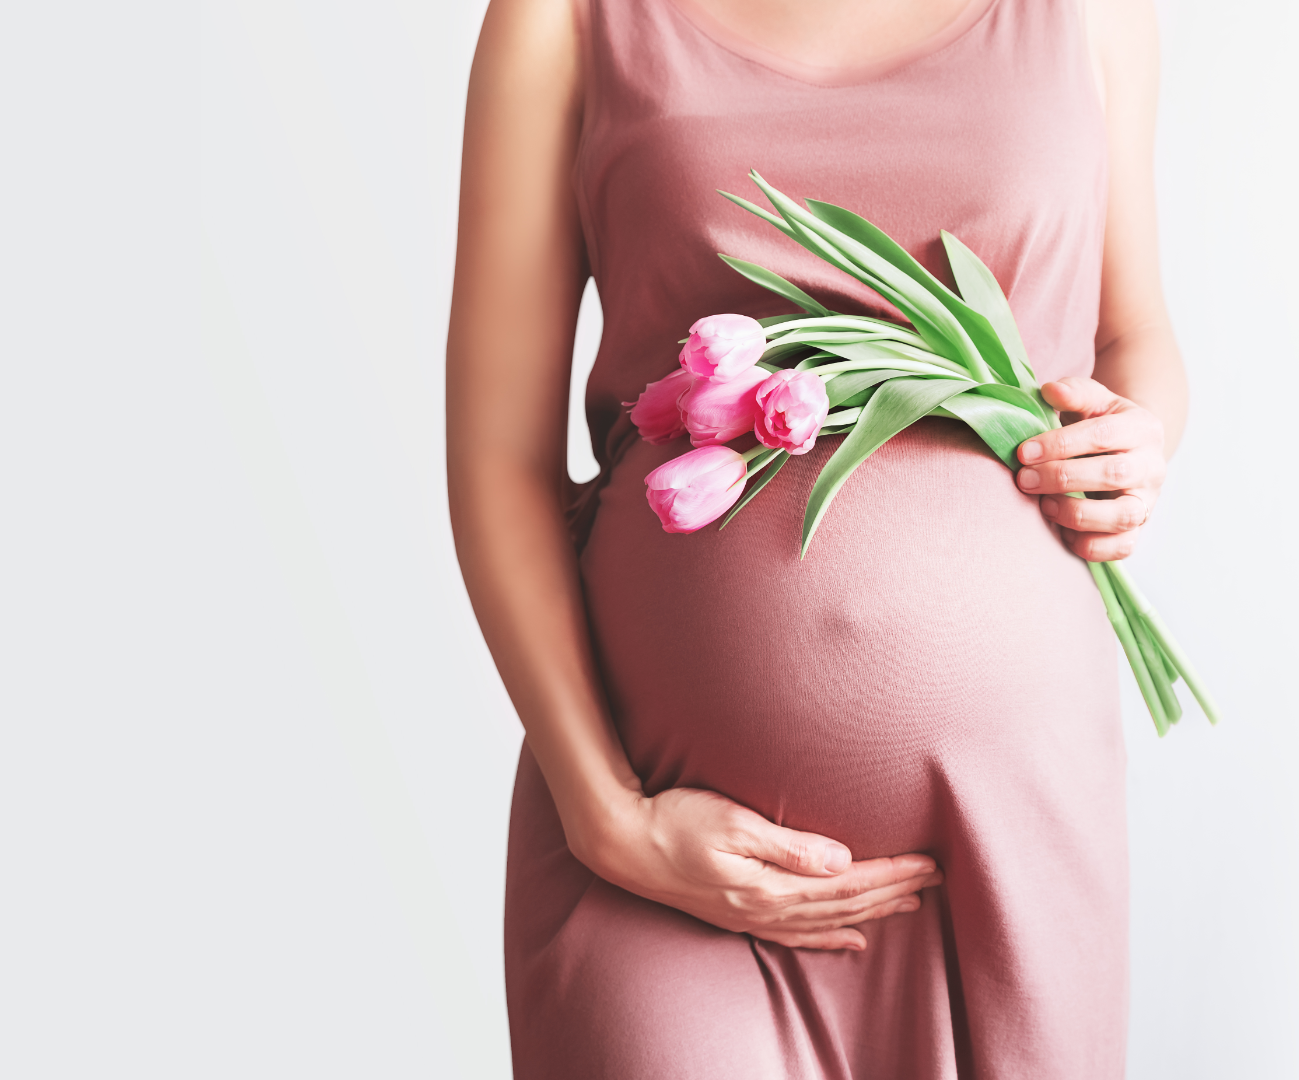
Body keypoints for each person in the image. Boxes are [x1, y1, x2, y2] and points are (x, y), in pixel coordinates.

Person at [444, 0, 1185, 1074]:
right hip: (667, 847)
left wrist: (1142, 438)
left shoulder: (1096, 13)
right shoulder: (561, 18)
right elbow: (497, 463)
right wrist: (609, 819)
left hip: (1011, 837)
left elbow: (1137, 337)